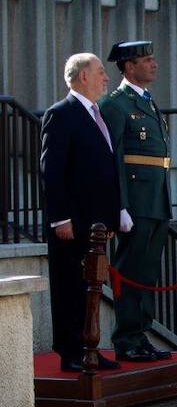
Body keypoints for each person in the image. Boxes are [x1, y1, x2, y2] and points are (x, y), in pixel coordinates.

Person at [41, 53, 121, 372]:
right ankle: (70, 349)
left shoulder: (95, 114)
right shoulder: (61, 114)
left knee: (91, 286)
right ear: (82, 76)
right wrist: (60, 218)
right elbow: (52, 170)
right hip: (71, 222)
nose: (106, 78)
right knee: (69, 285)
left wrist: (110, 218)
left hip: (95, 224)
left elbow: (105, 171)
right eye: (100, 72)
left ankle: (89, 345)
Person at [100, 41, 173, 363]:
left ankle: (140, 334)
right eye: (146, 60)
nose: (154, 64)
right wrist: (120, 206)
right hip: (135, 203)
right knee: (130, 270)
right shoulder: (116, 104)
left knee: (146, 271)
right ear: (129, 67)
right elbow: (112, 158)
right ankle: (126, 339)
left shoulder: (146, 100)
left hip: (155, 199)